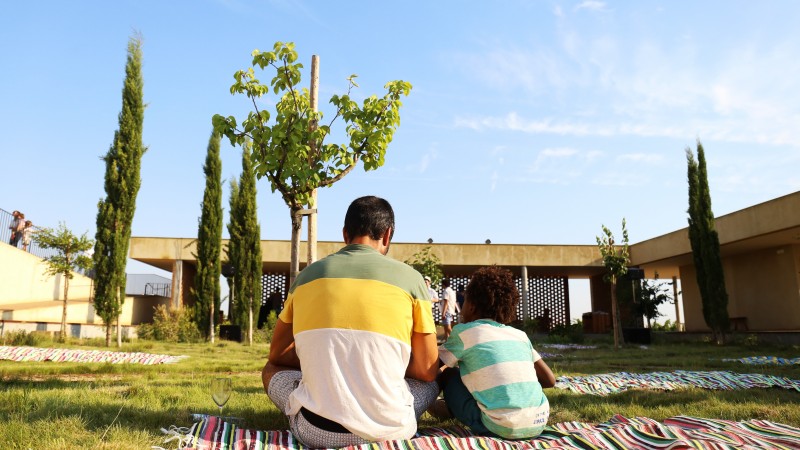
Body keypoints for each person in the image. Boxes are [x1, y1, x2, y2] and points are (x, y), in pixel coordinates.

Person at [262, 196, 439, 448]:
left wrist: (323, 357)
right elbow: (426, 370)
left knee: (269, 370)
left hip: (316, 431)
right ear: (387, 235)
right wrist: (389, 361)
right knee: (435, 378)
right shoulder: (412, 280)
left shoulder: (306, 277)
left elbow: (277, 354)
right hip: (391, 432)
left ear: (345, 234)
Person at [435, 266, 556, 439]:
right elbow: (549, 380)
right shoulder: (519, 335)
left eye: (465, 301)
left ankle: (445, 408)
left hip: (496, 426)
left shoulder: (465, 332)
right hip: (537, 423)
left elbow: (431, 367)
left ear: (473, 307)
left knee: (449, 373)